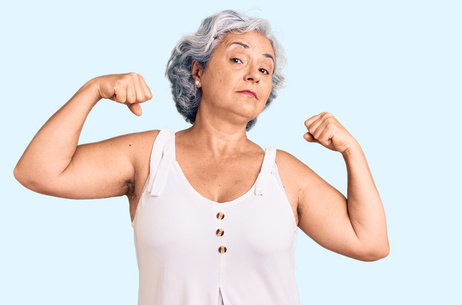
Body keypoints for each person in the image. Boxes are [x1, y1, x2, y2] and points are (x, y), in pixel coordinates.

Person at [13, 10, 388, 305]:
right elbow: (38, 172)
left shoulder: (285, 173)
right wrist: (92, 90)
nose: (255, 75)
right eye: (238, 60)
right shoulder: (147, 156)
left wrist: (351, 152)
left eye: (265, 68)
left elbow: (369, 243)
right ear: (198, 71)